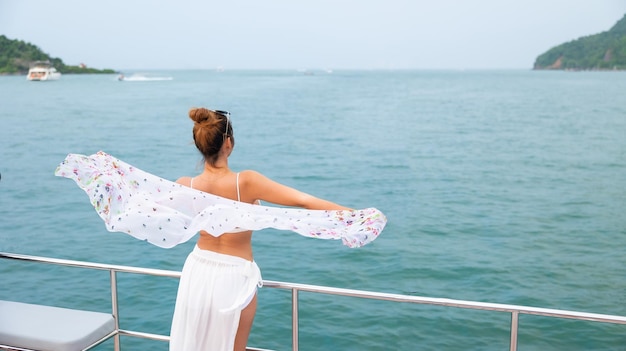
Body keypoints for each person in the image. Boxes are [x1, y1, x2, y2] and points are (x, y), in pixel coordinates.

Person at [169, 108, 351, 351]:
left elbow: (146, 204)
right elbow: (303, 201)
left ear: (198, 144)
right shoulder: (245, 182)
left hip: (198, 270)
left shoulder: (185, 185)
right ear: (229, 143)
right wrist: (352, 215)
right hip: (234, 275)